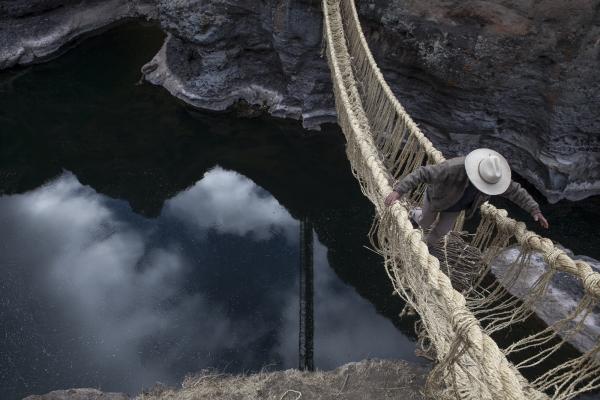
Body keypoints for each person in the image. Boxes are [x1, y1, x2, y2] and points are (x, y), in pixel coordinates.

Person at [384, 148, 549, 246]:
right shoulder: (453, 168)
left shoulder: (495, 177)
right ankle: (415, 214)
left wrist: (534, 210)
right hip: (437, 199)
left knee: (441, 231)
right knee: (424, 221)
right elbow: (422, 173)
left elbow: (516, 192)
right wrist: (399, 191)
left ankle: (424, 247)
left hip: (456, 207)